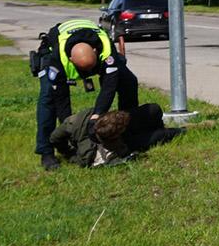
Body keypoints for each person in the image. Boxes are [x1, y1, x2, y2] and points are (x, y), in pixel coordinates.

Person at [34, 19, 138, 171]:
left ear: (95, 51)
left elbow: (109, 87)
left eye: (91, 68)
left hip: (96, 48)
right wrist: (72, 129)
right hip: (54, 46)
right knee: (48, 97)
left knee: (129, 81)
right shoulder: (58, 58)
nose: (88, 73)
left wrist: (97, 115)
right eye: (84, 70)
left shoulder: (106, 48)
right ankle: (46, 151)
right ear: (71, 60)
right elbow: (61, 98)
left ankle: (128, 133)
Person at [48, 104, 179, 167]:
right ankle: (178, 131)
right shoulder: (87, 152)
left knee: (154, 110)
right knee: (159, 136)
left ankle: (157, 125)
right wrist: (69, 153)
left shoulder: (93, 114)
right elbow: (54, 138)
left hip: (117, 130)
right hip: (122, 142)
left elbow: (54, 137)